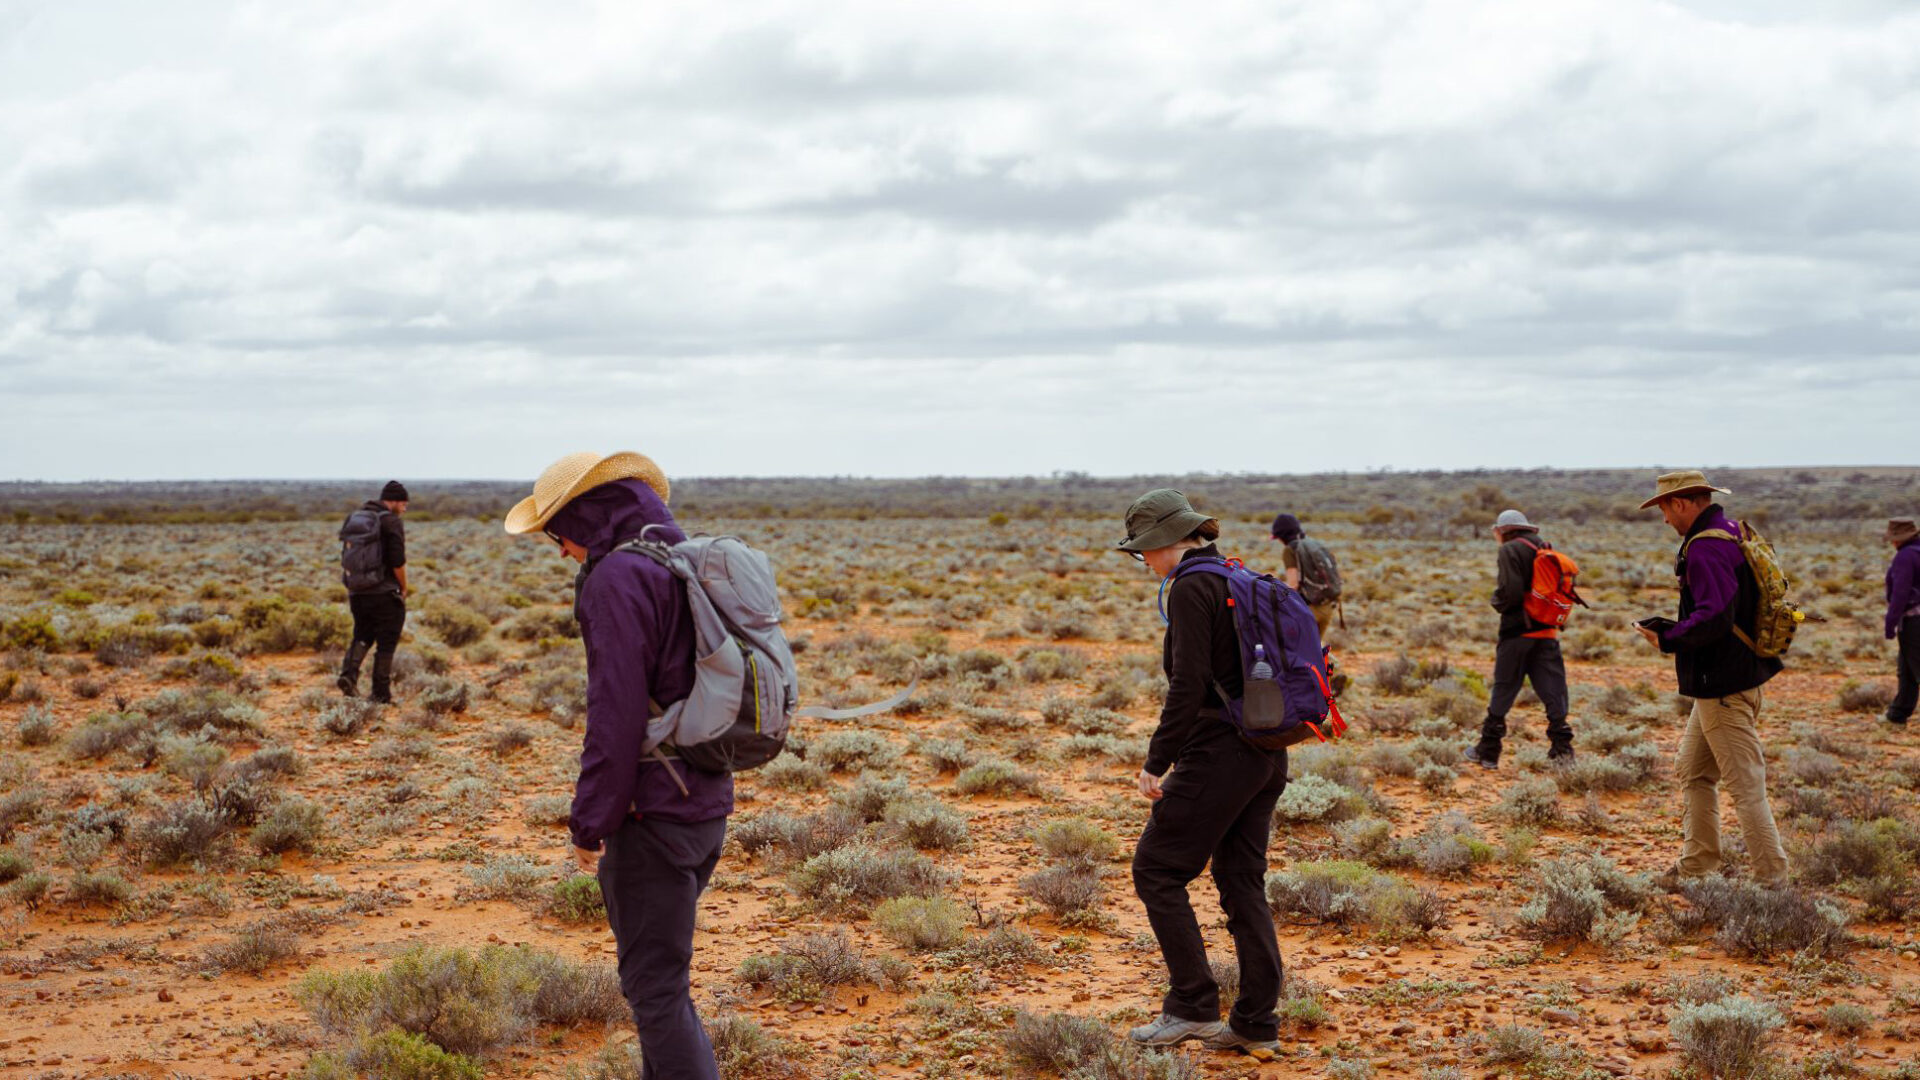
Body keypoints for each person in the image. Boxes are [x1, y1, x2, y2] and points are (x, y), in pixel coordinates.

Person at [505, 451, 733, 1080]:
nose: (560, 552)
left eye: (558, 535)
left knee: (656, 991)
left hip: (653, 814)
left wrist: (589, 824)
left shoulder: (618, 579)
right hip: (705, 800)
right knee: (660, 982)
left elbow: (616, 715)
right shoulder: (679, 559)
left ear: (585, 516)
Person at [1118, 489, 1288, 1056]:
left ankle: (1191, 1005)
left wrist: (1156, 761)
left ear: (1168, 541)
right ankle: (1255, 1024)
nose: (1144, 561)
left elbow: (1186, 684)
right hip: (1264, 751)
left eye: (1144, 551)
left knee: (1157, 870)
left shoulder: (1193, 586)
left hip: (1218, 753)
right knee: (1242, 881)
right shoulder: (1236, 577)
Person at [1634, 471, 1789, 889]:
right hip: (1727, 680)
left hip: (1723, 684)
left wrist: (1667, 636)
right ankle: (1697, 866)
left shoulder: (1705, 548)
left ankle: (1772, 885)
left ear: (1682, 503)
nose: (1665, 519)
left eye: (1665, 509)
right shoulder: (1731, 531)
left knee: (1745, 787)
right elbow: (1724, 609)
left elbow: (1715, 618)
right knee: (1693, 770)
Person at [1463, 509, 1573, 769]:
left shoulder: (1509, 550)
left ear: (1502, 530)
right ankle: (1563, 752)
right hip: (1546, 630)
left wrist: (1496, 602)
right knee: (1552, 688)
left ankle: (1488, 751)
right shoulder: (1541, 546)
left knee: (1505, 686)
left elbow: (1510, 592)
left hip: (1517, 632)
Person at [337, 480, 409, 704]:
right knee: (387, 641)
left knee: (362, 634)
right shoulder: (390, 521)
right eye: (404, 504)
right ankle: (380, 694)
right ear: (394, 501)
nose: (405, 508)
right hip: (384, 592)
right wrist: (404, 587)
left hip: (357, 591)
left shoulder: (358, 518)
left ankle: (349, 675)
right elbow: (398, 560)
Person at [1270, 513, 1350, 696]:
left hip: (1309, 609)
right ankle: (1324, 683)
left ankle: (1309, 688)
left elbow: (1293, 584)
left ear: (1282, 535)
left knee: (1287, 645)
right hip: (1328, 606)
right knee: (1314, 647)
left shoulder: (1291, 549)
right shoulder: (1315, 544)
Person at [1883, 517, 1920, 725]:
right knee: (1906, 668)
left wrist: (1890, 624)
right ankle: (1897, 715)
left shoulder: (1905, 557)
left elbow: (1900, 594)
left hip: (1914, 622)